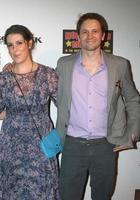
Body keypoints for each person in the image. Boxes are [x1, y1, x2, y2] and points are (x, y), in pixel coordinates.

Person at [56, 12, 140, 200]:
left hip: (106, 145)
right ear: (78, 36)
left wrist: (132, 133)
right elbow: (52, 92)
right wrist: (13, 67)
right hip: (72, 145)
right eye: (85, 32)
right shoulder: (64, 64)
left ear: (103, 36)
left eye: (95, 31)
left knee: (102, 196)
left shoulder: (120, 65)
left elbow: (133, 100)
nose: (90, 36)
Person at [0, 25, 60, 200]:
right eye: (10, 45)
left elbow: (66, 106)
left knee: (42, 190)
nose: (14, 49)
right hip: (11, 145)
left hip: (41, 145)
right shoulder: (3, 79)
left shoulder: (48, 75)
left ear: (29, 43)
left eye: (19, 43)